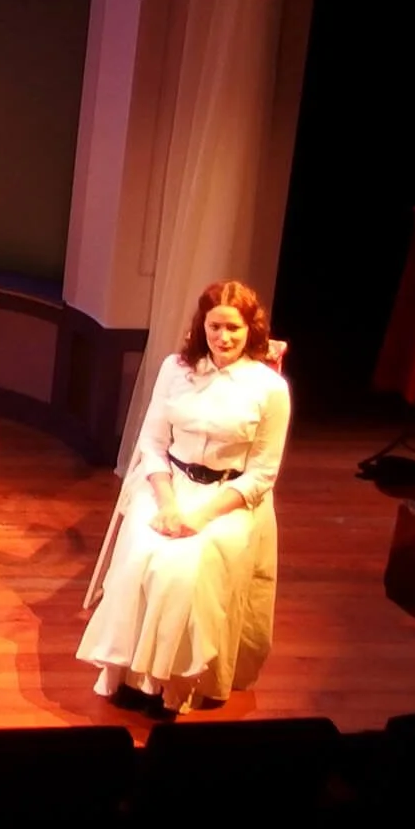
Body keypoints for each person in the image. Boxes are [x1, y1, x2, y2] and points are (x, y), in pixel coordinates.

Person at [78, 279, 293, 715]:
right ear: (203, 326)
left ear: (252, 330)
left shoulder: (269, 390)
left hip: (227, 497)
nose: (223, 338)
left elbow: (262, 474)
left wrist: (201, 516)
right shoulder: (176, 369)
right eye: (215, 327)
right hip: (168, 485)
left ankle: (174, 684)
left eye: (233, 328)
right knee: (141, 556)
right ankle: (130, 676)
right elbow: (153, 444)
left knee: (185, 569)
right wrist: (169, 503)